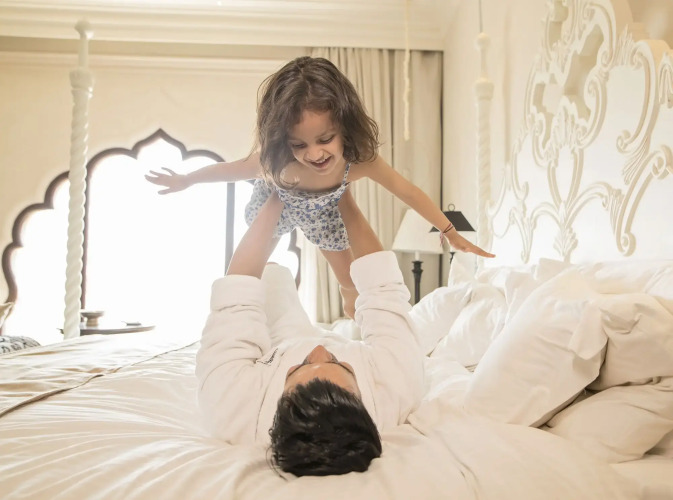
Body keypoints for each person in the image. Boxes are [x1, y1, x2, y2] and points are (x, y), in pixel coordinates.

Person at [146, 56, 494, 318]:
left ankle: (355, 327)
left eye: (325, 139)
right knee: (243, 278)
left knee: (350, 283)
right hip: (276, 204)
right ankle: (242, 319)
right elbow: (230, 170)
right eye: (299, 145)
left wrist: (450, 230)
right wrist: (187, 179)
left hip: (324, 215)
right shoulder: (275, 162)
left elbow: (407, 192)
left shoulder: (360, 161)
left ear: (345, 128)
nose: (314, 154)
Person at [195, 188, 425, 476]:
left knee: (270, 271)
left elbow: (235, 296)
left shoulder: (229, 407)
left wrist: (277, 195)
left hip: (277, 346)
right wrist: (342, 196)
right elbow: (383, 289)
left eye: (301, 366)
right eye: (339, 364)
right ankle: (347, 295)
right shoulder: (398, 385)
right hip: (349, 344)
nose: (317, 350)